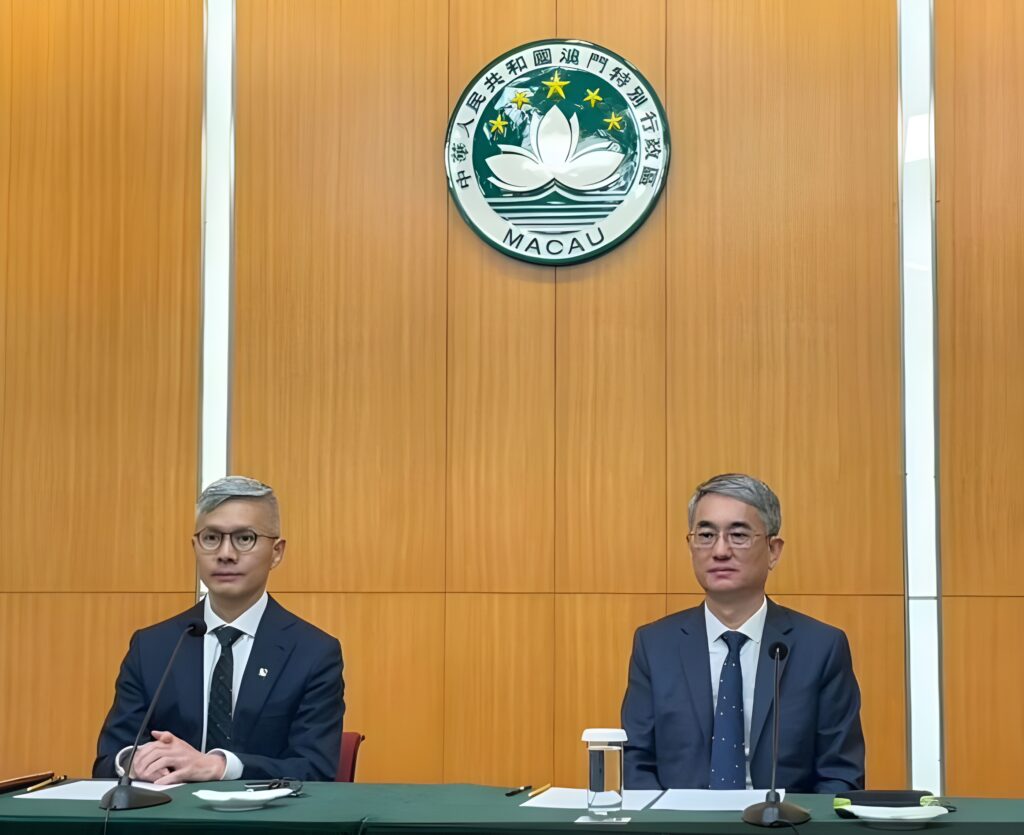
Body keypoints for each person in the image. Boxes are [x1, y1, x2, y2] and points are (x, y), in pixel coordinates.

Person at [621, 473, 864, 793]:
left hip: (784, 820)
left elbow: (840, 774)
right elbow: (635, 762)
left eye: (738, 535)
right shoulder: (655, 646)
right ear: (690, 546)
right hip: (679, 820)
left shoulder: (821, 648)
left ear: (773, 550)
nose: (720, 550)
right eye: (706, 535)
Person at [93, 476, 344, 782]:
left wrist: (221, 767)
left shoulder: (313, 652)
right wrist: (133, 763)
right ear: (195, 546)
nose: (225, 553)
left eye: (244, 538)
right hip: (168, 809)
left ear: (276, 552)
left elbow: (315, 770)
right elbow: (109, 760)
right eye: (211, 538)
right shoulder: (153, 647)